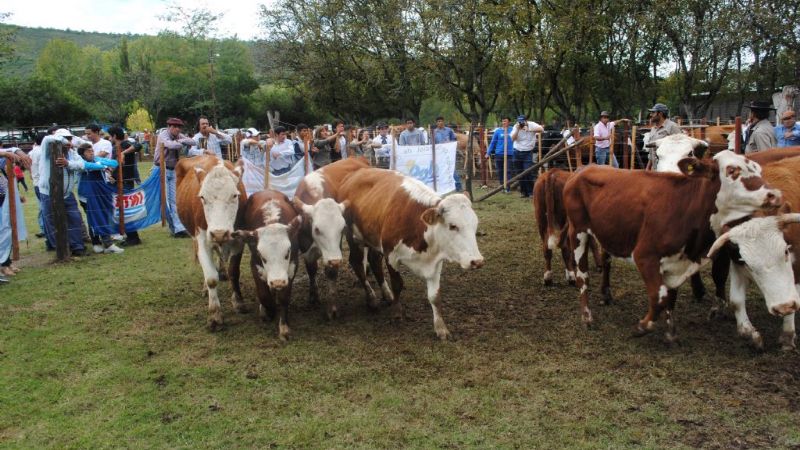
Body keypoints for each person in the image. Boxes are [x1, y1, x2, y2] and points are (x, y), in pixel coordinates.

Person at [37, 129, 90, 255]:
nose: (69, 141)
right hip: (48, 193)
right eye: (66, 138)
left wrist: (68, 163)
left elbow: (82, 165)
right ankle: (60, 249)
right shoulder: (47, 150)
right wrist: (63, 140)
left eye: (70, 138)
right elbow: (47, 139)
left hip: (67, 193)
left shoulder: (72, 153)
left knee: (75, 219)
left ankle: (77, 247)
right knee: (51, 220)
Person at [75, 143, 124, 254]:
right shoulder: (81, 163)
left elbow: (114, 162)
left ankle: (105, 243)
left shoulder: (96, 160)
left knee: (103, 217)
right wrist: (103, 165)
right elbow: (88, 166)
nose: (91, 153)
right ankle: (98, 243)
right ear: (82, 155)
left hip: (100, 195)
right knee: (93, 219)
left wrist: (99, 162)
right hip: (87, 197)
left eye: (92, 150)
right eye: (88, 152)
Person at [154, 118, 196, 238]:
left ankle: (179, 228)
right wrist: (182, 142)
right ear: (169, 126)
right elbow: (170, 145)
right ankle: (175, 228)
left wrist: (182, 140)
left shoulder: (178, 135)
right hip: (161, 169)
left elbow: (193, 142)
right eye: (175, 126)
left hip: (173, 170)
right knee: (165, 201)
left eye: (179, 127)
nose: (177, 129)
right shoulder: (163, 135)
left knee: (174, 200)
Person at [108, 126, 143, 246]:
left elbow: (138, 146)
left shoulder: (124, 145)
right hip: (120, 181)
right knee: (123, 210)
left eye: (110, 136)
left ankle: (133, 238)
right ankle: (130, 236)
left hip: (125, 182)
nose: (109, 138)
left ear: (114, 136)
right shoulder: (118, 146)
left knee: (126, 211)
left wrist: (122, 152)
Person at [0, 146, 30, 279]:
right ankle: (3, 264)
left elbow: (13, 150)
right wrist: (7, 153)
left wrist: (17, 152)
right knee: (3, 231)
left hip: (3, 198)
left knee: (8, 230)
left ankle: (6, 261)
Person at [511, 115, 544, 198]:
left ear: (526, 121)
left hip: (528, 152)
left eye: (522, 121)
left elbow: (542, 129)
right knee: (519, 173)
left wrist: (529, 129)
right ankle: (523, 192)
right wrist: (518, 130)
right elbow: (512, 139)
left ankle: (531, 192)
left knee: (528, 171)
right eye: (519, 121)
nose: (521, 123)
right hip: (517, 151)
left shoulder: (531, 124)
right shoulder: (516, 126)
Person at [486, 117, 515, 193]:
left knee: (508, 171)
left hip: (509, 154)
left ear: (509, 122)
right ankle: (502, 186)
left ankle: (507, 188)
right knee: (500, 171)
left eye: (505, 121)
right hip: (499, 153)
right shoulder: (498, 131)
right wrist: (488, 152)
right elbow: (493, 142)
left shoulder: (512, 130)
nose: (504, 123)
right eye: (502, 121)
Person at [432, 117, 461, 191]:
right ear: (436, 123)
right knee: (440, 169)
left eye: (441, 121)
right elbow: (432, 143)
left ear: (443, 122)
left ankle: (458, 186)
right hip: (439, 154)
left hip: (449, 153)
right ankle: (443, 187)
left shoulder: (449, 130)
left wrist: (450, 143)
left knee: (452, 169)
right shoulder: (434, 132)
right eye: (438, 121)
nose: (440, 122)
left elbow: (454, 140)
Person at [28, 132, 48, 240]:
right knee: (46, 207)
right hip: (43, 183)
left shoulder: (32, 152)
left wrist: (31, 174)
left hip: (36, 182)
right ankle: (46, 229)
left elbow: (28, 164)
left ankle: (43, 228)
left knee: (41, 206)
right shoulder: (43, 151)